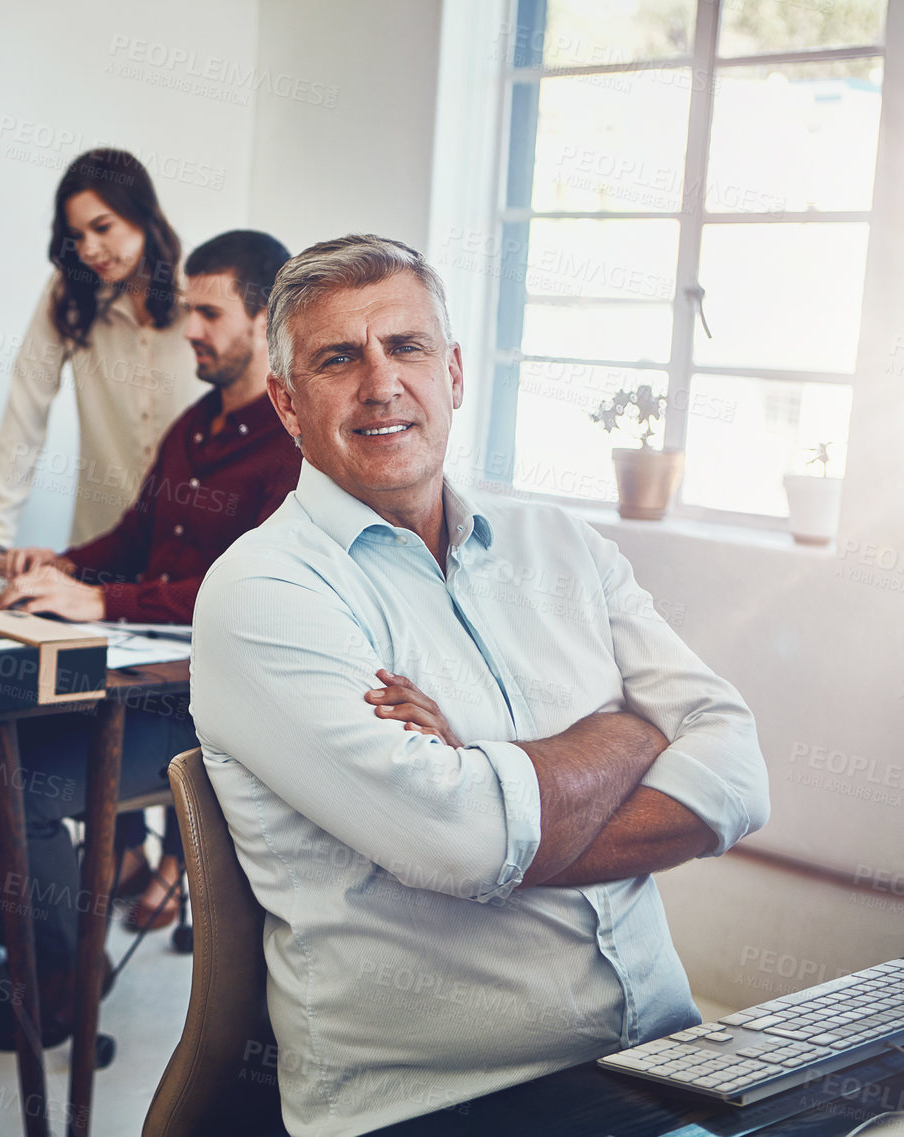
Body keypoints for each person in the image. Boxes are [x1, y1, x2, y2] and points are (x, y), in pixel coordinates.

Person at [190, 234, 770, 1136]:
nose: (381, 384)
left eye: (407, 347)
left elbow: (736, 771)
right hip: (446, 1100)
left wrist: (494, 781)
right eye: (338, 358)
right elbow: (462, 844)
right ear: (286, 403)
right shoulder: (262, 593)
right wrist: (629, 730)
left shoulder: (561, 545)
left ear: (453, 372)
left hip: (663, 1047)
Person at [0, 230, 298, 1050]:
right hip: (128, 680)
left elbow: (232, 594)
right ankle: (35, 957)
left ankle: (65, 988)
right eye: (190, 311)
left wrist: (96, 600)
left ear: (263, 316)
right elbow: (131, 537)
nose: (191, 331)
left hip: (203, 711)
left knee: (25, 787)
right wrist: (57, 568)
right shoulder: (195, 426)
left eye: (210, 314)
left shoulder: (292, 446)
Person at [0, 148, 204, 561]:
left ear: (142, 213)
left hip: (195, 548)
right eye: (76, 236)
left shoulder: (202, 295)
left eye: (102, 227)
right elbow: (25, 411)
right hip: (102, 545)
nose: (89, 249)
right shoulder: (69, 295)